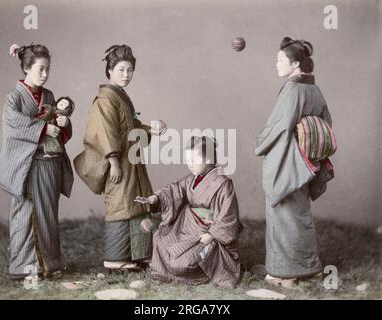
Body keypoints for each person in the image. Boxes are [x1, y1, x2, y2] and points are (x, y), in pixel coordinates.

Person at [74, 44, 167, 270]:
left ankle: (136, 256)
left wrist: (150, 129)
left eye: (130, 70)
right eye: (120, 70)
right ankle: (115, 259)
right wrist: (113, 162)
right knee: (120, 203)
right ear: (109, 70)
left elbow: (131, 127)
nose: (126, 75)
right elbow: (105, 132)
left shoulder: (120, 96)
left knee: (135, 203)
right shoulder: (105, 99)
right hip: (119, 161)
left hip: (130, 159)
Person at [255, 37, 334, 288]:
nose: (276, 64)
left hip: (287, 161)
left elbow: (279, 126)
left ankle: (285, 274)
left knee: (283, 214)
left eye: (280, 60)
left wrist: (261, 141)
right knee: (299, 214)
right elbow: (326, 123)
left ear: (296, 63)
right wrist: (308, 145)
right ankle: (307, 268)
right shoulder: (314, 89)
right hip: (305, 162)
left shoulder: (292, 89)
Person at [0, 43, 74, 280]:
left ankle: (49, 264)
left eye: (48, 69)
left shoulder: (49, 95)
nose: (45, 74)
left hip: (50, 163)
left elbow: (61, 123)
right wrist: (42, 128)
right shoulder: (14, 98)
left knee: (48, 212)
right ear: (27, 68)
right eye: (40, 69)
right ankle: (24, 266)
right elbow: (13, 124)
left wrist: (63, 125)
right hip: (27, 165)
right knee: (26, 212)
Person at [135, 136, 241, 288]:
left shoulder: (223, 184)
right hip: (187, 227)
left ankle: (200, 269)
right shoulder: (191, 179)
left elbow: (227, 215)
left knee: (186, 263)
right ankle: (166, 269)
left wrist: (212, 235)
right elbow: (174, 190)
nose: (189, 164)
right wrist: (155, 198)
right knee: (159, 237)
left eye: (194, 159)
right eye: (187, 159)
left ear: (209, 157)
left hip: (207, 234)